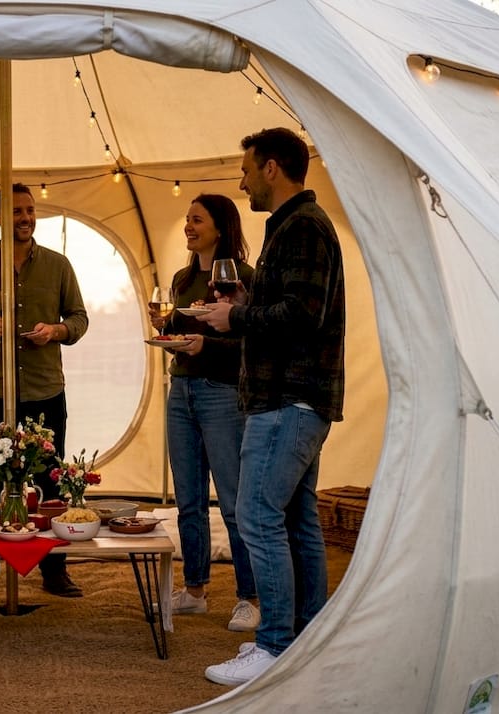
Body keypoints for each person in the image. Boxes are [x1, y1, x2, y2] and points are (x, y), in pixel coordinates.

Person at [198, 127, 345, 686]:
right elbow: (290, 306)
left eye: (246, 170)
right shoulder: (292, 226)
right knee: (297, 521)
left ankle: (275, 645)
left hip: (288, 399)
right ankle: (307, 640)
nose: (241, 182)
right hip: (294, 399)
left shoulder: (303, 227)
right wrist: (247, 301)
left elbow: (304, 316)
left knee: (258, 515)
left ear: (272, 168)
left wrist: (235, 317)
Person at [0, 183, 89, 598]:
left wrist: (56, 331)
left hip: (45, 392)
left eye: (29, 211)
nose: (25, 218)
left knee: (50, 482)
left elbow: (79, 319)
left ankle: (54, 570)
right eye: (16, 211)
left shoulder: (59, 265)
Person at [149, 194, 258, 631]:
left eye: (197, 220)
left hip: (222, 394)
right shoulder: (182, 278)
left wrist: (205, 345)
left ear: (220, 227)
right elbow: (180, 335)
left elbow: (252, 342)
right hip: (182, 391)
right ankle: (194, 591)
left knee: (232, 501)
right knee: (188, 501)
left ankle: (249, 597)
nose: (188, 227)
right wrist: (166, 329)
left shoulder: (244, 278)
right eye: (187, 219)